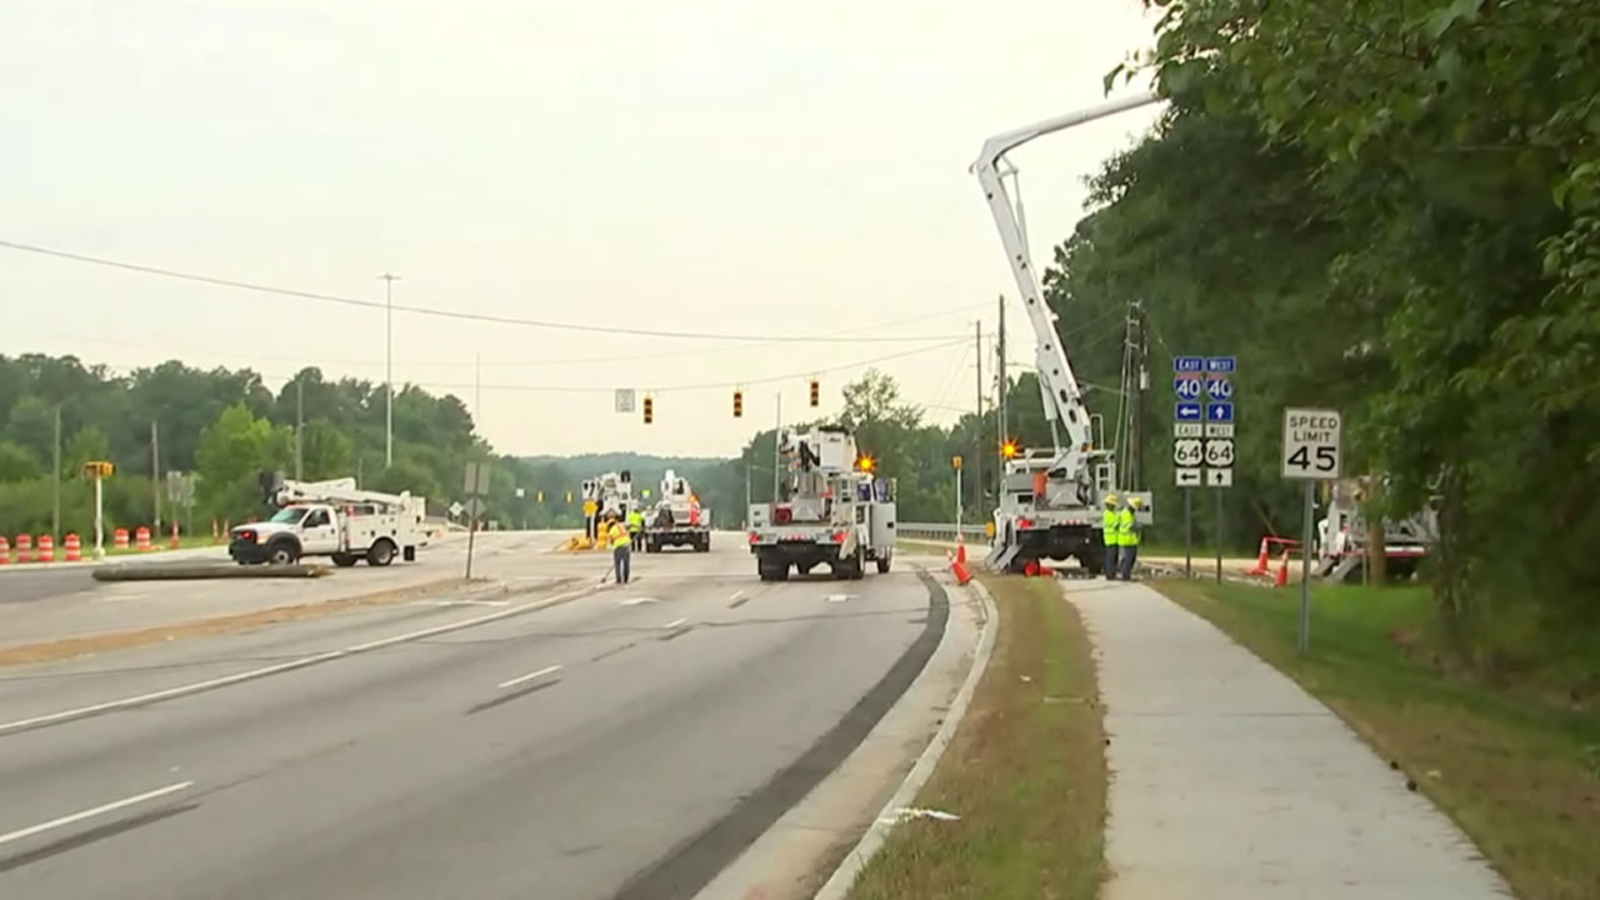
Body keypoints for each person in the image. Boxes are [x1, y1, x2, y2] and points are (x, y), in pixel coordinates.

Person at [1118, 495, 1143, 581]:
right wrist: (1137, 526)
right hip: (1127, 539)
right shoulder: (1126, 514)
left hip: (1131, 540)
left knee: (1131, 558)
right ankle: (1125, 575)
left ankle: (1124, 572)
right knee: (1129, 558)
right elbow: (1129, 526)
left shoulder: (1130, 514)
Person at [608, 513, 633, 584]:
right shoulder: (621, 526)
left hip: (618, 547)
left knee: (617, 563)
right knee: (626, 563)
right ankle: (626, 578)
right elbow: (629, 525)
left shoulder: (611, 530)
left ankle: (618, 578)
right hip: (627, 545)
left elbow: (611, 541)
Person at [1101, 493, 1121, 578]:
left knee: (1113, 558)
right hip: (1111, 539)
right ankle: (1110, 574)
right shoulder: (1108, 514)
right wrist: (1119, 517)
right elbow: (1115, 524)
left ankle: (1112, 573)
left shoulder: (1112, 513)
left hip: (1114, 539)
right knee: (1111, 558)